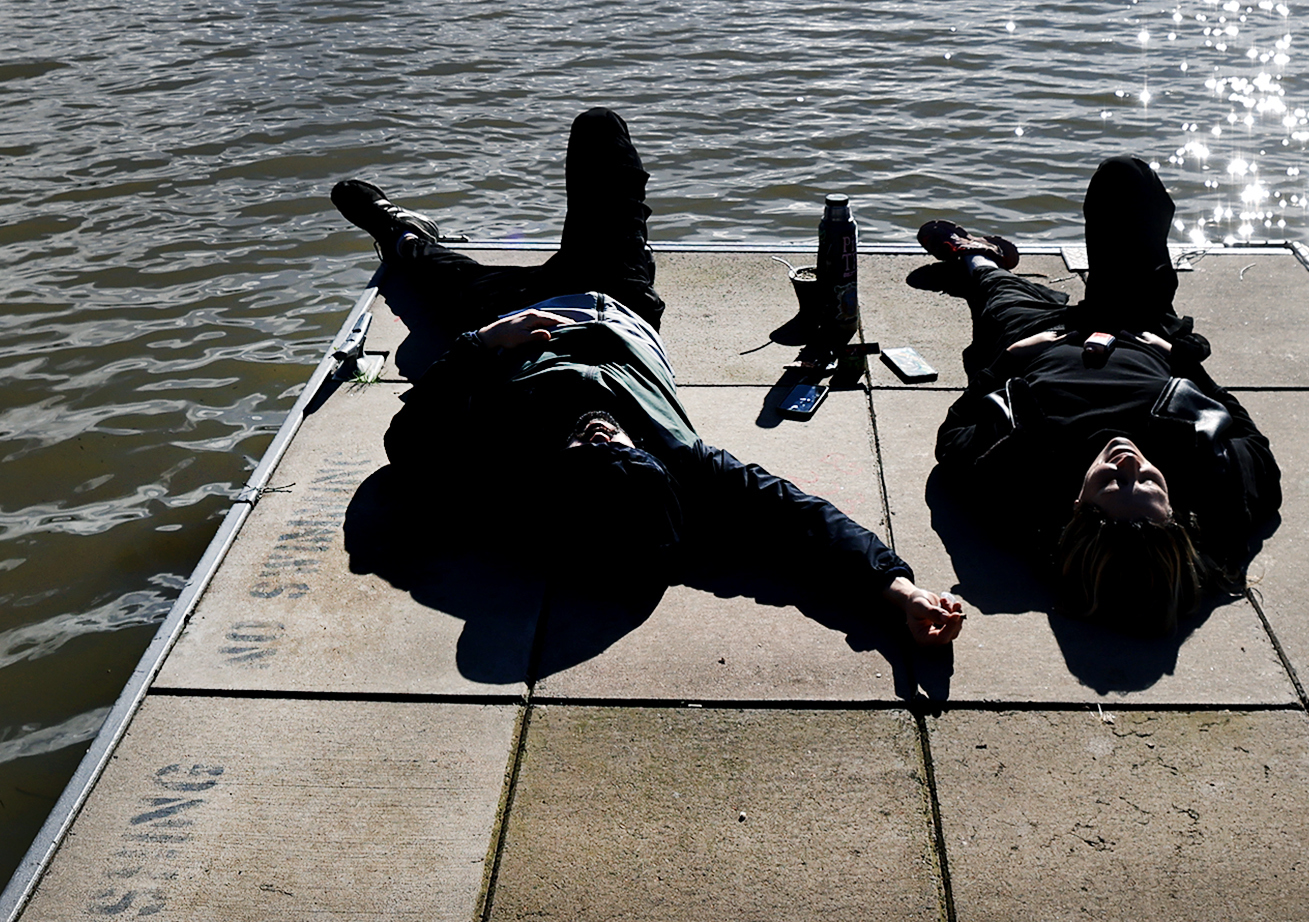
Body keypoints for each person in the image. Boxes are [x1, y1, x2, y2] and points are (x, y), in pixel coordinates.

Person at [332, 108, 966, 649]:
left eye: (591, 447)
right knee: (600, 129)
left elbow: (403, 443)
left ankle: (401, 229)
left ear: (558, 473)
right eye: (622, 445)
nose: (608, 432)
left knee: (428, 274)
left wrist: (484, 345)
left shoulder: (502, 462)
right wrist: (897, 588)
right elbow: (797, 520)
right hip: (612, 291)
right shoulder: (679, 463)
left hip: (504, 320)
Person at [910, 155, 1281, 635]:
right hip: (1139, 328)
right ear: (1174, 514)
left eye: (1111, 485)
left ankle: (977, 257)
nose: (1128, 464)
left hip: (1040, 337)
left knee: (994, 290)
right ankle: (1085, 282)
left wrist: (1008, 361)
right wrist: (1184, 362)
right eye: (1148, 486)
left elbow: (951, 439)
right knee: (1126, 178)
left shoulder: (1014, 482)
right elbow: (1257, 447)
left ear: (1076, 510)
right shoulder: (1215, 486)